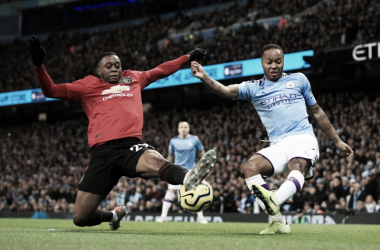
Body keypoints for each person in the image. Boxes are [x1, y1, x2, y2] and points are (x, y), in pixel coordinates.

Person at [28, 35, 216, 230]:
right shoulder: (87, 85)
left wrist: (187, 57)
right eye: (108, 66)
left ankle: (189, 178)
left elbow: (160, 71)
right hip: (102, 154)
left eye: (117, 65)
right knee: (81, 218)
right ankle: (113, 215)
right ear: (99, 71)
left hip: (130, 146)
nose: (114, 69)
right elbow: (51, 91)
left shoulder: (133, 77)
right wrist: (38, 66)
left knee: (155, 161)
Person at [191, 44, 353, 234]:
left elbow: (317, 112)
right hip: (278, 144)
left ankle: (274, 200)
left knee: (297, 164)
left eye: (278, 61)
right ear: (262, 63)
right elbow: (225, 91)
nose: (274, 65)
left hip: (303, 138)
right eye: (269, 62)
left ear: (283, 61)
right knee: (249, 168)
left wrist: (337, 140)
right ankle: (277, 221)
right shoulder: (253, 87)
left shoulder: (299, 79)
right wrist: (204, 77)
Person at [156, 121, 208, 223]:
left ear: (188, 129)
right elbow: (170, 157)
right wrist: (167, 171)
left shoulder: (195, 139)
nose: (183, 129)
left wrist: (204, 168)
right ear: (178, 129)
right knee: (170, 192)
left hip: (191, 170)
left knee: (196, 193)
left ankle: (201, 218)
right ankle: (163, 217)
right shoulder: (173, 141)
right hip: (176, 170)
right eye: (181, 127)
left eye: (185, 127)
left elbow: (203, 153)